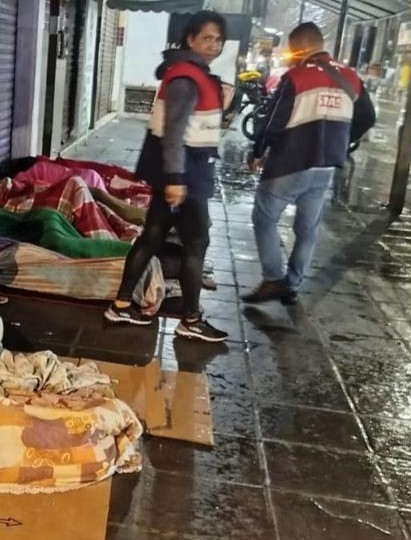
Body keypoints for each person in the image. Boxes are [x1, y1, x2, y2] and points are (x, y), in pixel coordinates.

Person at [104, 10, 230, 343]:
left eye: (218, 39)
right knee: (196, 243)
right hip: (184, 174)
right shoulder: (187, 77)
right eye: (207, 38)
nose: (214, 45)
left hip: (180, 171)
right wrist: (176, 179)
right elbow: (174, 133)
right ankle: (190, 318)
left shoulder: (188, 72)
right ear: (190, 39)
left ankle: (120, 305)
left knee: (152, 237)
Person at [243, 23, 376, 304]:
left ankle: (273, 279)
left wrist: (257, 150)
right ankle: (292, 284)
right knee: (307, 228)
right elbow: (367, 116)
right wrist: (344, 140)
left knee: (264, 217)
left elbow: (273, 120)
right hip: (326, 165)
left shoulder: (296, 77)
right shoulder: (351, 77)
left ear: (296, 47)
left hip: (291, 161)